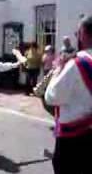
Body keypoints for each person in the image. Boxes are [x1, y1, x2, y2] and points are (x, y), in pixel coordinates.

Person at [45, 16, 92, 174]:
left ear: (83, 34)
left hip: (75, 138)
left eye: (77, 32)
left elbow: (52, 97)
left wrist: (58, 69)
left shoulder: (77, 64)